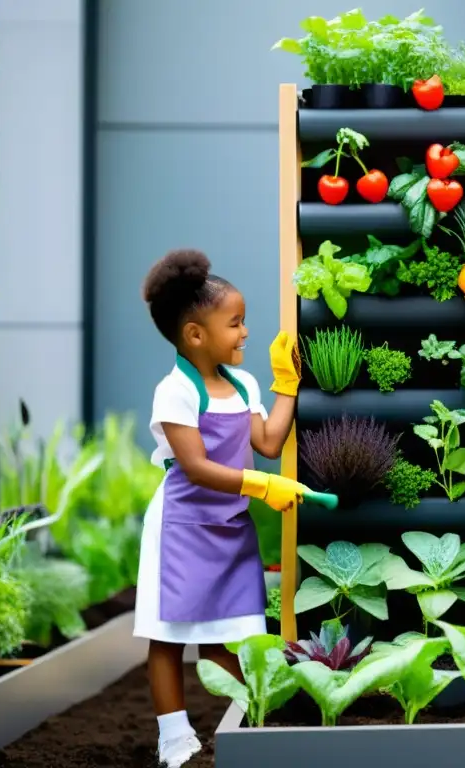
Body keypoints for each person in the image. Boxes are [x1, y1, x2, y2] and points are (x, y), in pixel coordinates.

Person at [133, 248, 331, 768]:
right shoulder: (175, 391)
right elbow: (195, 466)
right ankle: (174, 738)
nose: (245, 333)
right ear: (196, 335)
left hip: (230, 526)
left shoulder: (242, 385)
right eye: (235, 323)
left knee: (235, 631)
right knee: (169, 635)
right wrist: (265, 488)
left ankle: (258, 719)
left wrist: (285, 385)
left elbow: (267, 441)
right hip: (182, 528)